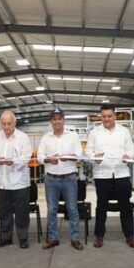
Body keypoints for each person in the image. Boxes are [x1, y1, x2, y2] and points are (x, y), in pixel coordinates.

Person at [87, 105, 134, 248]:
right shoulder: (94, 133)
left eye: (109, 116)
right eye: (104, 116)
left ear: (114, 116)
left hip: (121, 173)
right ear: (100, 117)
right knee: (101, 207)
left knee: (125, 206)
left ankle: (129, 236)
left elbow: (132, 149)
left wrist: (129, 155)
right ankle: (99, 236)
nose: (106, 119)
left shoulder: (124, 132)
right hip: (102, 175)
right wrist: (93, 157)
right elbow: (89, 151)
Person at [37, 107, 84, 251]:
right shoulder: (45, 138)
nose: (57, 121)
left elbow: (79, 155)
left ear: (64, 120)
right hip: (51, 179)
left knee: (72, 209)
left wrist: (67, 156)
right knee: (52, 209)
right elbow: (39, 157)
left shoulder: (73, 136)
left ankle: (75, 238)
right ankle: (53, 238)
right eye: (54, 119)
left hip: (69, 177)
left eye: (59, 118)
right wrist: (47, 159)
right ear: (51, 121)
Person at [0, 110, 32, 249]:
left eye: (9, 123)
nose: (6, 127)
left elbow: (27, 156)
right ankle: (5, 238)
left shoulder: (23, 137)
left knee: (21, 212)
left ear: (15, 123)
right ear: (0, 123)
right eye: (4, 124)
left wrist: (14, 162)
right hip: (2, 182)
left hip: (19, 182)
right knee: (4, 212)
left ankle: (23, 238)